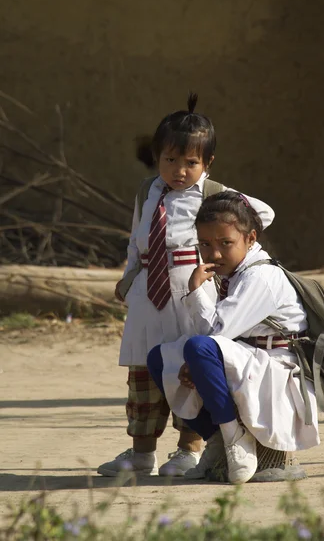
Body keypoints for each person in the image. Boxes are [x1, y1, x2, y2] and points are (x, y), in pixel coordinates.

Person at [97, 96, 275, 478]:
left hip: (191, 290)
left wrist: (225, 256)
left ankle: (189, 451)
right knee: (143, 374)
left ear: (207, 163)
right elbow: (135, 240)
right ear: (157, 157)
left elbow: (263, 214)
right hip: (148, 293)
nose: (179, 170)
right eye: (170, 160)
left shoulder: (214, 194)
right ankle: (141, 453)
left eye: (190, 162)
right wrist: (129, 280)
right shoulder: (148, 192)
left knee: (185, 369)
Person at [147, 191, 320, 484]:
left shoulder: (261, 277)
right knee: (160, 359)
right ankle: (216, 438)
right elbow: (217, 337)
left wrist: (194, 291)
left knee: (197, 347)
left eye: (226, 243)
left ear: (251, 239)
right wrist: (193, 361)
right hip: (247, 360)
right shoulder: (235, 273)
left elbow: (216, 331)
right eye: (205, 244)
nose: (214, 253)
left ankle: (235, 439)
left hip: (275, 370)